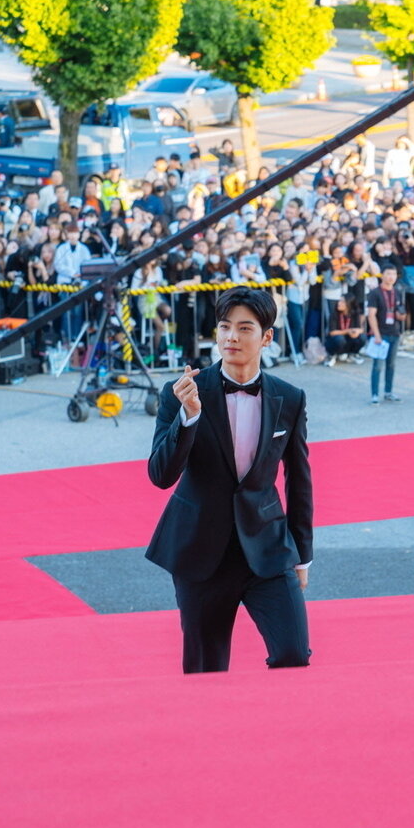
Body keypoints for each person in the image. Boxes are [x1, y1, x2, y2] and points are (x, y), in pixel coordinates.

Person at [145, 288, 314, 674]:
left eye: (244, 328)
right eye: (224, 327)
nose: (231, 337)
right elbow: (161, 475)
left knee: (293, 654)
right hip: (200, 549)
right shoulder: (182, 393)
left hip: (268, 549)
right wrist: (188, 417)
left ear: (266, 337)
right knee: (206, 669)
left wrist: (303, 555)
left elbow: (299, 481)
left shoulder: (289, 398)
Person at [365, 264, 405, 405]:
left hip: (394, 332)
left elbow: (401, 313)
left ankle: (388, 392)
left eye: (393, 274)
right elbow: (371, 315)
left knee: (391, 365)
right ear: (382, 275)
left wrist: (401, 316)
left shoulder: (397, 292)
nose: (391, 277)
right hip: (381, 333)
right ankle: (375, 394)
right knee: (377, 365)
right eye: (388, 274)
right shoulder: (375, 293)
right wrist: (376, 335)